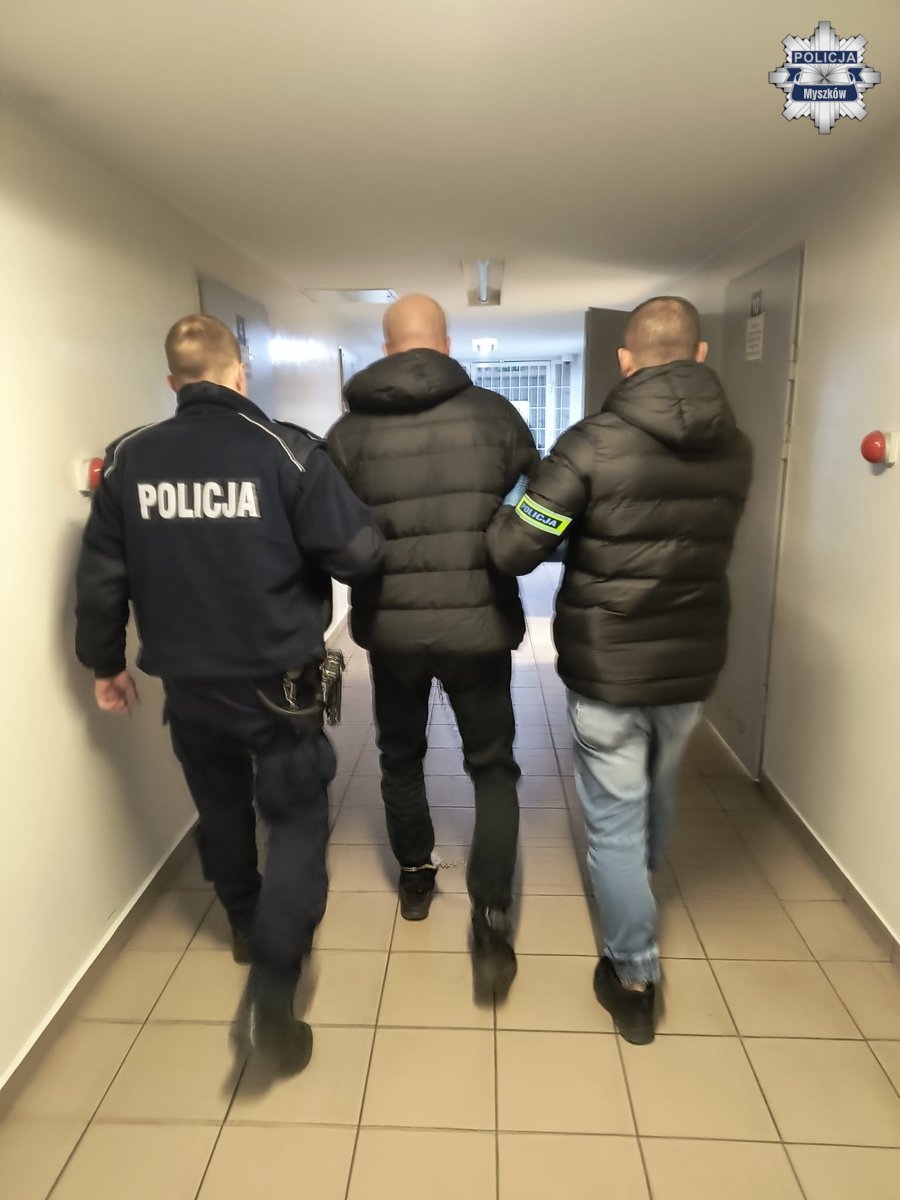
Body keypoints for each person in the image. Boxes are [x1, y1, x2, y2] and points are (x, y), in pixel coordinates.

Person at [75, 315, 384, 1075]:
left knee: (219, 809)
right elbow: (359, 552)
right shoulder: (286, 449)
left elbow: (102, 575)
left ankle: (245, 923)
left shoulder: (129, 459)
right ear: (238, 373)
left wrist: (105, 664)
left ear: (173, 382)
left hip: (188, 683)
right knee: (296, 820)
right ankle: (273, 991)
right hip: (277, 684)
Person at [487, 297, 752, 1042]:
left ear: (625, 360)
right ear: (699, 354)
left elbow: (513, 549)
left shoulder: (592, 444)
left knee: (613, 818)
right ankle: (639, 887)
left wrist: (529, 506)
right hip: (691, 659)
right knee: (657, 790)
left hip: (610, 664)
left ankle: (634, 977)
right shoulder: (737, 446)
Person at [326, 295, 538, 999]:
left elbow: (332, 530)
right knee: (493, 769)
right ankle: (491, 919)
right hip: (479, 627)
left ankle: (416, 877)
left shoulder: (347, 433)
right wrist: (506, 542)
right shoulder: (497, 416)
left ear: (387, 348)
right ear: (445, 343)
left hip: (393, 632)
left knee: (399, 755)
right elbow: (541, 500)